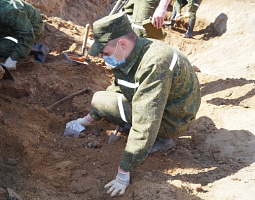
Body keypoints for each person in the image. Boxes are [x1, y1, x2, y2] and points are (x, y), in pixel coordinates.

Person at [72, 12, 201, 196]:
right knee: (101, 100)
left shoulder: (154, 63)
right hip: (168, 109)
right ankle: (152, 134)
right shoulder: (132, 53)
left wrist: (123, 171)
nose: (103, 58)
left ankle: (162, 139)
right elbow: (118, 89)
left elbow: (145, 121)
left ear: (122, 44)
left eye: (105, 53)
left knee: (100, 100)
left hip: (173, 120)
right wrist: (88, 118)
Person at [0, 0, 45, 70]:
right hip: (10, 26)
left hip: (32, 28)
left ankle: (35, 48)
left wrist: (13, 58)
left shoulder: (8, 12)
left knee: (3, 49)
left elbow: (27, 34)